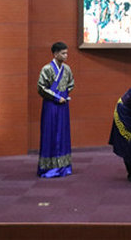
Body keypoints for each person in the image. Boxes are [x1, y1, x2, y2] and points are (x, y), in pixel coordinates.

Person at [37, 42, 75, 178]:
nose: (66, 56)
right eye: (63, 53)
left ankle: (64, 166)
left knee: (63, 133)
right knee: (50, 132)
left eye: (66, 53)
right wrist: (56, 97)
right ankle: (48, 167)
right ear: (55, 54)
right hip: (51, 106)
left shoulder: (67, 69)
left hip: (63, 106)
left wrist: (64, 95)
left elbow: (71, 83)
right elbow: (41, 87)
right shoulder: (46, 69)